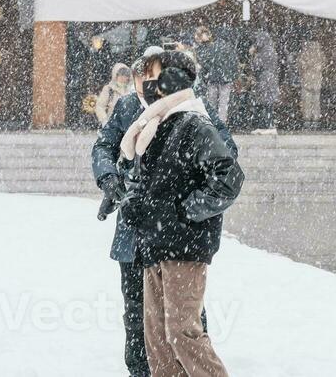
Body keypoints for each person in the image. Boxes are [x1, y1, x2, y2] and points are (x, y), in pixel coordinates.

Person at [90, 50, 237, 377]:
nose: (147, 84)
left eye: (154, 77)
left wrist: (185, 207)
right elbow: (104, 148)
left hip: (177, 239)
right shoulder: (130, 109)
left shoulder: (191, 114)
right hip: (139, 233)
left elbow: (226, 164)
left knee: (182, 324)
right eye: (143, 77)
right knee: (143, 321)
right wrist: (112, 181)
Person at [194, 26, 239, 123]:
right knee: (223, 103)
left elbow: (206, 63)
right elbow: (234, 63)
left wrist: (205, 75)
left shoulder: (209, 47)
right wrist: (233, 76)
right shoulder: (228, 47)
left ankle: (213, 123)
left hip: (213, 78)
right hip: (225, 78)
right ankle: (221, 124)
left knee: (212, 102)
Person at [250, 29, 280, 132]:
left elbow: (256, 66)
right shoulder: (272, 51)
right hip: (272, 78)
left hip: (264, 79)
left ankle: (266, 124)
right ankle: (270, 123)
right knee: (269, 103)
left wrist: (253, 55)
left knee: (264, 103)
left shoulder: (262, 52)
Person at [297, 39, 324, 129]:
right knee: (315, 102)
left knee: (307, 102)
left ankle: (307, 120)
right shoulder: (320, 54)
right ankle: (315, 120)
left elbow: (301, 66)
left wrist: (307, 66)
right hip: (315, 82)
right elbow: (322, 66)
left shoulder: (305, 54)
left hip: (307, 82)